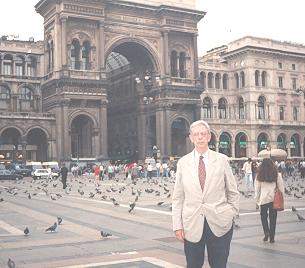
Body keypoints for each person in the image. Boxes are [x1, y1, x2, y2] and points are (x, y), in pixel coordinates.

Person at [172, 120, 239, 268]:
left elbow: (232, 191)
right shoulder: (183, 163)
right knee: (193, 265)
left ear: (209, 137)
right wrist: (177, 225)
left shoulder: (222, 160)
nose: (200, 137)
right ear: (191, 138)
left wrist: (231, 213)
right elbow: (178, 197)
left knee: (219, 264)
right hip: (192, 224)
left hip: (220, 222)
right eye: (196, 134)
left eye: (203, 134)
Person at [255, 158, 284, 243]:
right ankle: (272, 237)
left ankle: (266, 232)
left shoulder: (259, 175)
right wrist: (282, 198)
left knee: (263, 217)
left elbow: (257, 189)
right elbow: (281, 188)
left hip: (263, 199)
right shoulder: (276, 174)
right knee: (273, 219)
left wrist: (257, 200)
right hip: (273, 199)